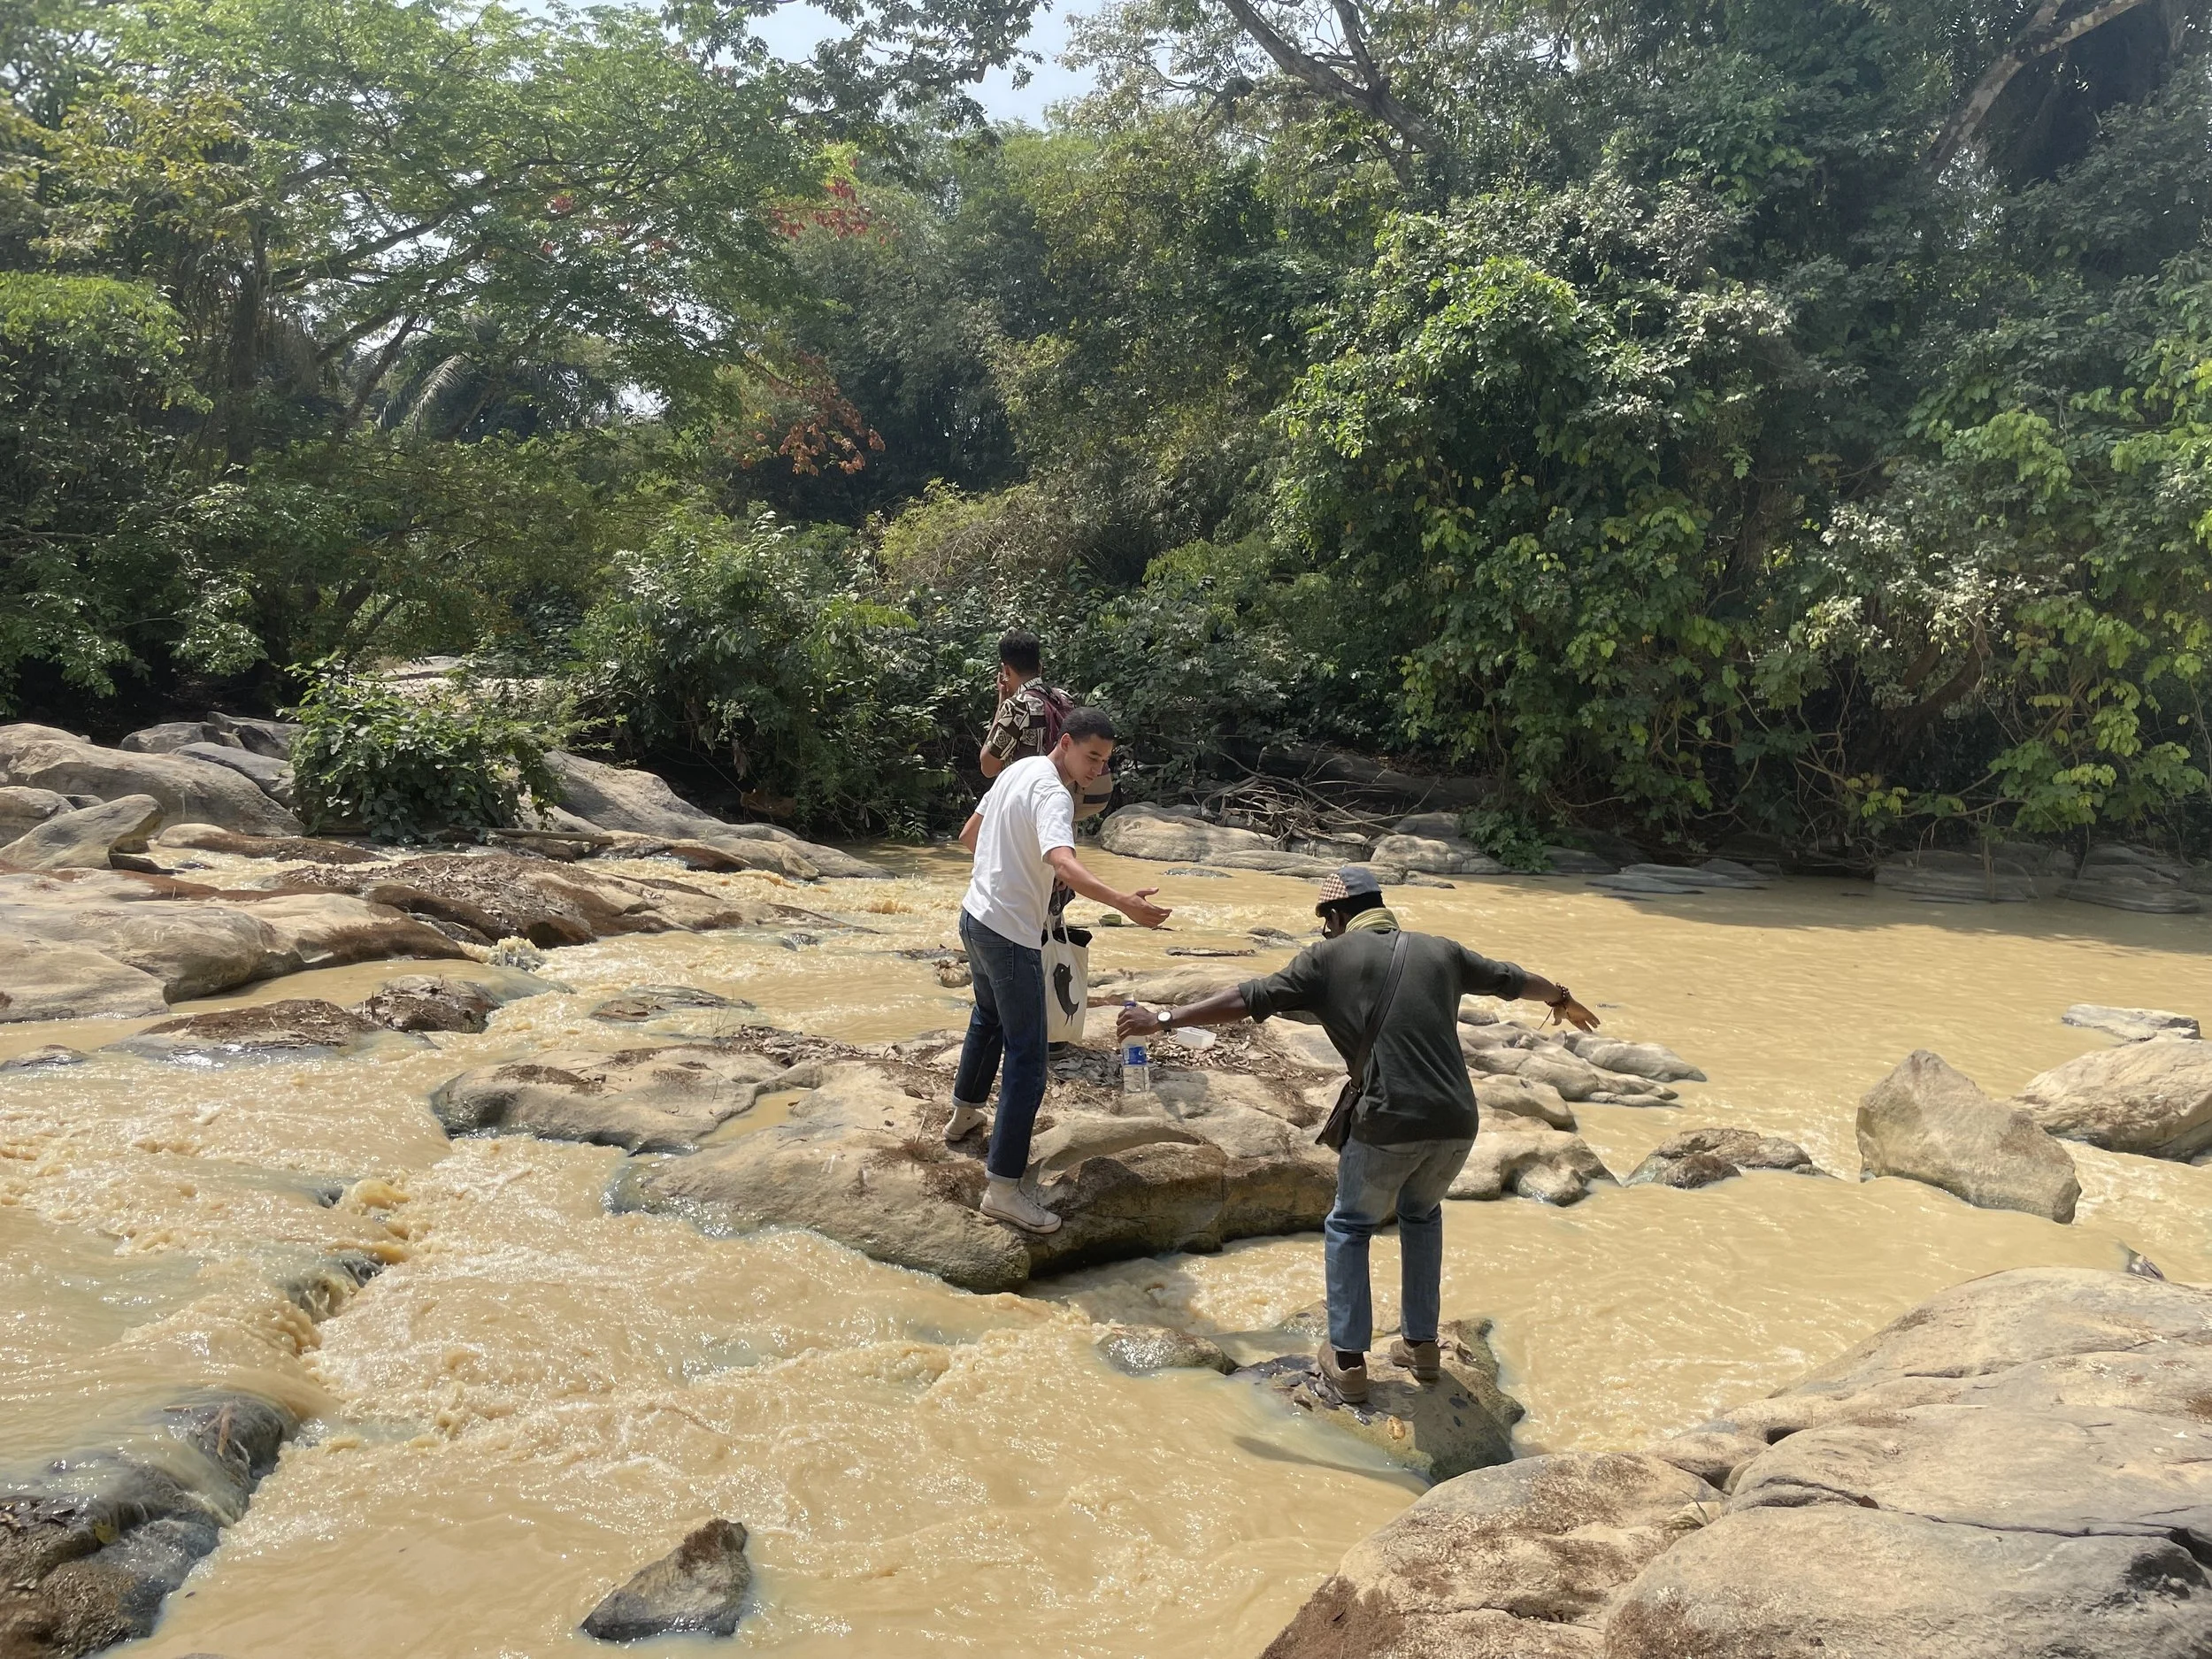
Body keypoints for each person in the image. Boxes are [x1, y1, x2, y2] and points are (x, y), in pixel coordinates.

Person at [1115, 867, 1597, 1403]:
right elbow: (1512, 979)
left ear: (1337, 917)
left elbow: (1249, 997)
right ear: (1381, 907)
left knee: (1350, 1225)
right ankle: (1421, 1347)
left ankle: (1347, 1362)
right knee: (1422, 1215)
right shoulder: (1441, 951)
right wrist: (1561, 997)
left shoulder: (1326, 959)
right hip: (1458, 1123)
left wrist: (1163, 1018)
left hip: (1389, 1118)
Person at [954, 707, 1172, 1233]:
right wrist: (1123, 902)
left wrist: (1010, 871)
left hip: (974, 916)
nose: (1098, 769)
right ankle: (1003, 1191)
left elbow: (968, 836)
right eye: (1092, 756)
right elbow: (1065, 862)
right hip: (1009, 934)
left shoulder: (1016, 769)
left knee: (987, 1018)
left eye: (1106, 760)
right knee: (1028, 1058)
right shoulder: (1053, 792)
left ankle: (963, 1117)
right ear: (1067, 743)